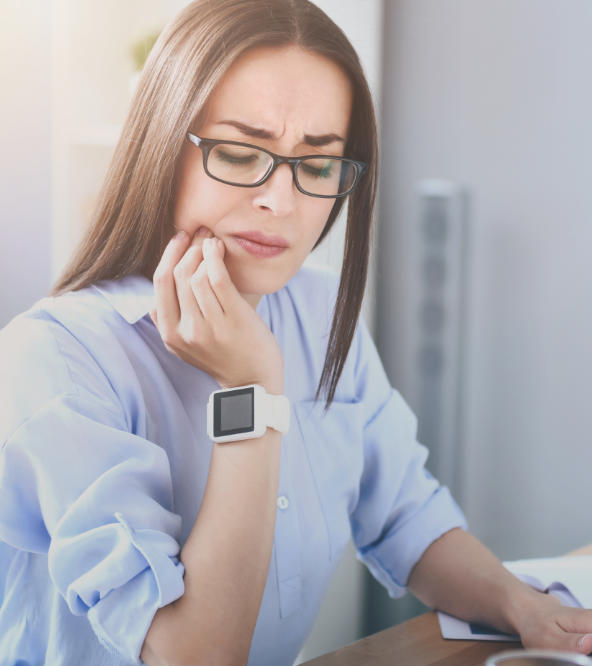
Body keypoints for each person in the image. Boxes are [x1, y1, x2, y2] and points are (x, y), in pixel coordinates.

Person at [0, 1, 591, 664]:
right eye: (238, 152)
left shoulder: (315, 307)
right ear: (163, 143)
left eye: (316, 166)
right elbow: (195, 655)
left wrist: (526, 607)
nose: (280, 202)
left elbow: (405, 517)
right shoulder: (55, 360)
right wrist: (251, 389)